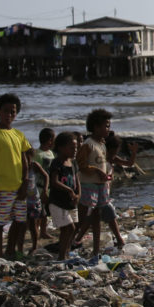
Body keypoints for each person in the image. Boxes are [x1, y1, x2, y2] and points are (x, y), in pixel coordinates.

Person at [0, 93, 33, 259]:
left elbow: (25, 160)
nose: (9, 115)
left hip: (18, 187)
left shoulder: (19, 134)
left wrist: (25, 181)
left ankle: (10, 250)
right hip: (1, 188)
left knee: (19, 221)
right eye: (6, 111)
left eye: (13, 112)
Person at [74, 109, 113, 257]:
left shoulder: (102, 144)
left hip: (100, 185)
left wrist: (107, 174)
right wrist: (97, 171)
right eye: (106, 126)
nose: (108, 129)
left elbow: (104, 164)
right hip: (88, 185)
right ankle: (72, 241)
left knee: (97, 218)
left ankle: (96, 249)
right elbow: (81, 165)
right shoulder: (88, 144)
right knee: (83, 217)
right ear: (96, 127)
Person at [47, 132, 80, 261]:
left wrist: (78, 194)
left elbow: (77, 181)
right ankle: (61, 256)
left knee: (73, 228)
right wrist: (69, 191)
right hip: (58, 201)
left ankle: (66, 252)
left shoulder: (73, 163)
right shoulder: (57, 163)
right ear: (61, 148)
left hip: (70, 202)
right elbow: (54, 181)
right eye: (71, 147)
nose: (75, 150)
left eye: (76, 147)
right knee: (68, 228)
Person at [27, 127, 56, 251]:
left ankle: (43, 231)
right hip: (38, 188)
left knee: (45, 211)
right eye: (53, 140)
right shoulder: (38, 154)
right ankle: (37, 231)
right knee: (39, 212)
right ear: (49, 140)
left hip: (48, 186)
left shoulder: (51, 153)